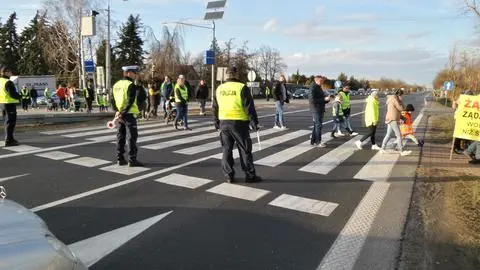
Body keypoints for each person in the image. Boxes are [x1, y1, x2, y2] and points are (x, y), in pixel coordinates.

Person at [213, 66, 262, 183]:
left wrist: (216, 123)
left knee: (226, 150)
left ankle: (229, 175)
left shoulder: (219, 88)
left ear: (226, 75)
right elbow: (249, 108)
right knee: (244, 150)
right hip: (239, 123)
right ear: (236, 74)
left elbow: (215, 107)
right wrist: (254, 123)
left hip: (224, 123)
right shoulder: (241, 87)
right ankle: (250, 175)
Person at [111, 65, 143, 167]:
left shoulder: (116, 85)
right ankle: (132, 160)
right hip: (128, 115)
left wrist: (117, 111)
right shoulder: (130, 85)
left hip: (120, 115)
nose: (136, 75)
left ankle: (120, 159)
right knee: (132, 137)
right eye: (135, 73)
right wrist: (123, 113)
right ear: (128, 73)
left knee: (120, 137)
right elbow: (130, 102)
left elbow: (113, 100)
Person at [380, 90, 412, 156]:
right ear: (399, 95)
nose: (403, 97)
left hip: (389, 119)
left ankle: (382, 149)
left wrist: (402, 118)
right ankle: (401, 151)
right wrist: (401, 101)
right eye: (402, 96)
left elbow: (395, 111)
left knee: (388, 135)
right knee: (399, 135)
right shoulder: (395, 100)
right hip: (393, 119)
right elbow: (401, 108)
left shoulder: (392, 98)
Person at [0, 65, 21, 147]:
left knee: (6, 122)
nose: (11, 73)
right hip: (9, 104)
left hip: (2, 103)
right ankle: (9, 140)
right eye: (9, 72)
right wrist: (20, 96)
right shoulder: (8, 82)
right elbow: (12, 94)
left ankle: (10, 138)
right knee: (11, 122)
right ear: (5, 72)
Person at [309, 75, 331, 147]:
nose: (322, 82)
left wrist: (327, 100)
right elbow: (312, 100)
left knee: (316, 126)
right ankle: (318, 142)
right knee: (318, 125)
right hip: (316, 109)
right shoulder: (313, 87)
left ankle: (313, 141)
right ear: (317, 80)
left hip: (319, 108)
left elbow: (320, 99)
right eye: (321, 81)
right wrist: (324, 99)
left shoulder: (318, 87)